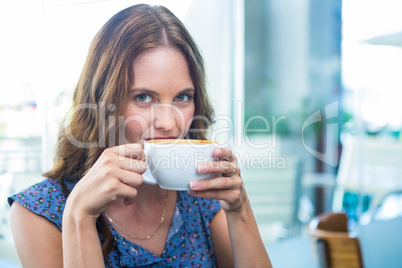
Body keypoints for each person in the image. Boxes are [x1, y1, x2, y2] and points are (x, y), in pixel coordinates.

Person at [8, 4, 272, 267]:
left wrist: (240, 211)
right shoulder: (39, 211)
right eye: (143, 97)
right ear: (103, 101)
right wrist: (79, 215)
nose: (169, 123)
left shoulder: (201, 199)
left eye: (182, 97)